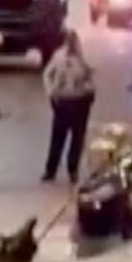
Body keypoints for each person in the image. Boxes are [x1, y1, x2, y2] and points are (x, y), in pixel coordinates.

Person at [42, 30, 96, 184]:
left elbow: (91, 77)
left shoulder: (83, 58)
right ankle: (50, 170)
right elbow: (47, 74)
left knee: (77, 139)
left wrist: (89, 88)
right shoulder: (59, 57)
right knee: (58, 137)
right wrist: (51, 91)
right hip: (63, 100)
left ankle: (72, 169)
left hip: (80, 101)